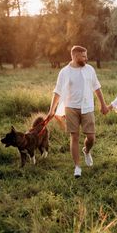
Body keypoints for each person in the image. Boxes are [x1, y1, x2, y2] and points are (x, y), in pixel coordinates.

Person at [47, 45, 108, 178]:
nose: (86, 58)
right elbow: (57, 91)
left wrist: (103, 105)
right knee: (74, 137)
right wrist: (52, 110)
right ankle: (77, 167)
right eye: (83, 56)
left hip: (87, 107)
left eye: (86, 56)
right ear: (74, 56)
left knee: (91, 137)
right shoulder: (64, 72)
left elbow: (97, 88)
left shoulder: (90, 69)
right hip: (70, 107)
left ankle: (86, 151)